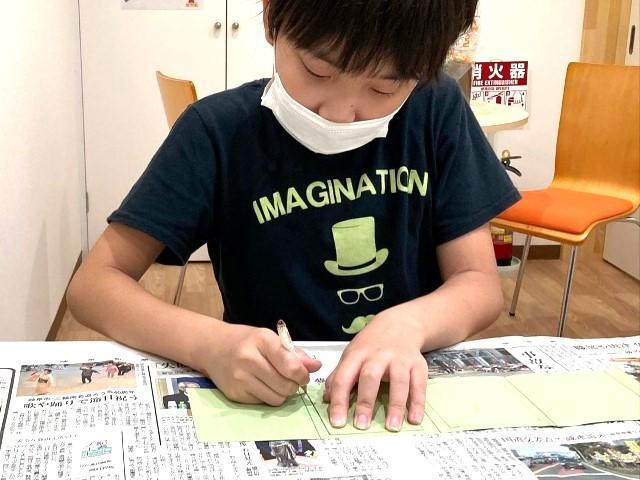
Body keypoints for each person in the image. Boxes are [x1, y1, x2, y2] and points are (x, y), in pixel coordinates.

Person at [67, 0, 519, 432]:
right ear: (271, 18)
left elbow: (477, 283)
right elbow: (94, 286)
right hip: (269, 399)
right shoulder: (219, 132)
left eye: (384, 88)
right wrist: (208, 344)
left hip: (399, 395)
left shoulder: (436, 109)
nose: (340, 114)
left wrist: (409, 324)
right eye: (317, 70)